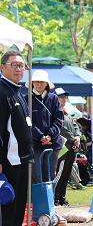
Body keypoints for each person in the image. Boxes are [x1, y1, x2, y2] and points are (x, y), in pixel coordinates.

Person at [0, 49, 35, 226]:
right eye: (14, 65)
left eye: (22, 65)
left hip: (22, 160)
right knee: (7, 210)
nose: (19, 69)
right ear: (2, 67)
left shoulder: (16, 91)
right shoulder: (2, 91)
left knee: (19, 211)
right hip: (8, 162)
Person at [25, 70, 64, 186]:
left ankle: (49, 202)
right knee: (35, 175)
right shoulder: (27, 99)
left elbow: (59, 119)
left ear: (47, 83)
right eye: (36, 82)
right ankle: (35, 202)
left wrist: (50, 135)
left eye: (42, 82)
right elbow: (27, 121)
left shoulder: (54, 99)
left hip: (53, 143)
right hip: (35, 144)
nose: (39, 84)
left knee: (50, 175)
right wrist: (40, 136)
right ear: (32, 83)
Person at [54, 87, 82, 206]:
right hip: (62, 148)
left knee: (66, 174)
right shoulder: (54, 112)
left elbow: (76, 126)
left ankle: (62, 198)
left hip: (71, 147)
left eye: (65, 97)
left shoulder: (66, 113)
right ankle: (56, 198)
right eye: (61, 96)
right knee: (59, 175)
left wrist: (78, 137)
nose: (64, 99)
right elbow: (62, 130)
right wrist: (73, 139)